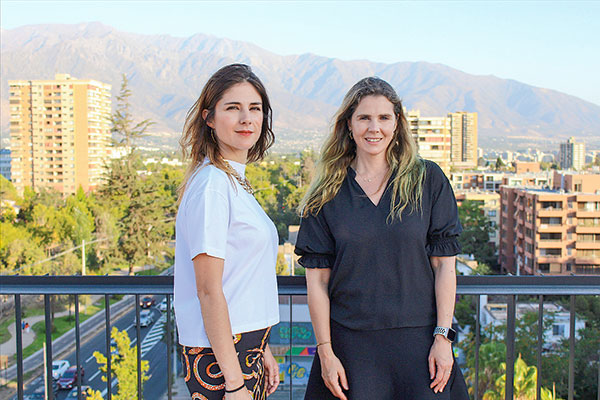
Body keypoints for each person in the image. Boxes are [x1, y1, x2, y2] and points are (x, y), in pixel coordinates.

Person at [295, 77, 469, 399]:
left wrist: (443, 338)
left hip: (422, 346)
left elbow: (445, 266)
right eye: (364, 117)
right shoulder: (326, 193)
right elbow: (317, 282)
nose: (374, 128)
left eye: (384, 118)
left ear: (397, 123)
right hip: (350, 348)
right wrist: (325, 351)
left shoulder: (427, 180)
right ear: (349, 124)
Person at [174, 64, 280, 400]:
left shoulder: (231, 180)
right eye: (233, 108)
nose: (246, 119)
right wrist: (234, 385)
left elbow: (241, 277)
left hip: (243, 351)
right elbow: (208, 291)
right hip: (220, 364)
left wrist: (261, 348)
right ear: (209, 118)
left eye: (255, 108)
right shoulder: (212, 186)